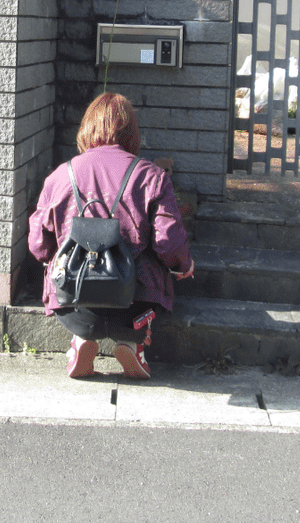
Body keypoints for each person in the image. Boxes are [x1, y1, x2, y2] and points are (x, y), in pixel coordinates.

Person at [28, 92, 194, 379]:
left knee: (58, 265)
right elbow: (168, 242)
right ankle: (132, 341)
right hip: (133, 298)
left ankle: (80, 340)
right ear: (131, 132)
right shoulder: (152, 176)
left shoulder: (60, 175)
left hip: (73, 298)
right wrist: (183, 265)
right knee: (150, 262)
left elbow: (38, 245)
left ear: (87, 129)